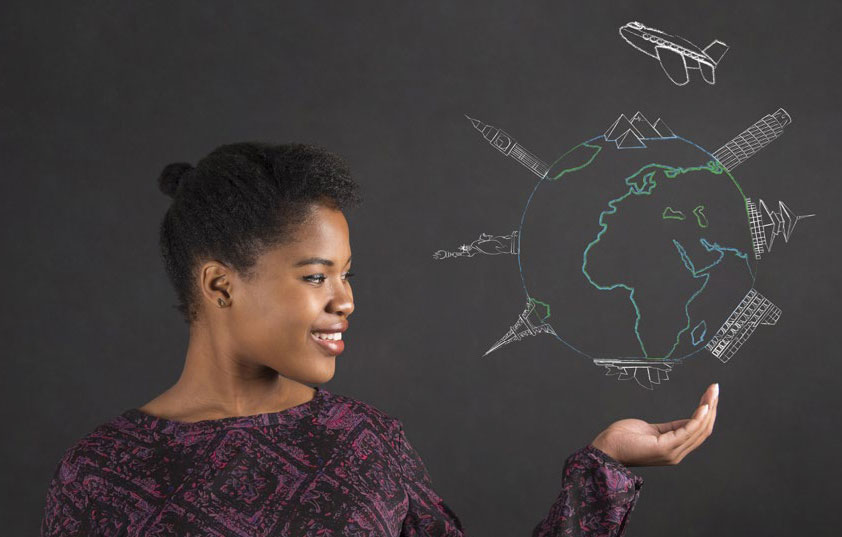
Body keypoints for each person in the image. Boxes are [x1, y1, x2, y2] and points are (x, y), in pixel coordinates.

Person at [40, 142, 719, 536]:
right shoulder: (101, 472)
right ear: (220, 285)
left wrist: (604, 467)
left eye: (347, 274)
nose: (346, 299)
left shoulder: (366, 442)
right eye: (316, 276)